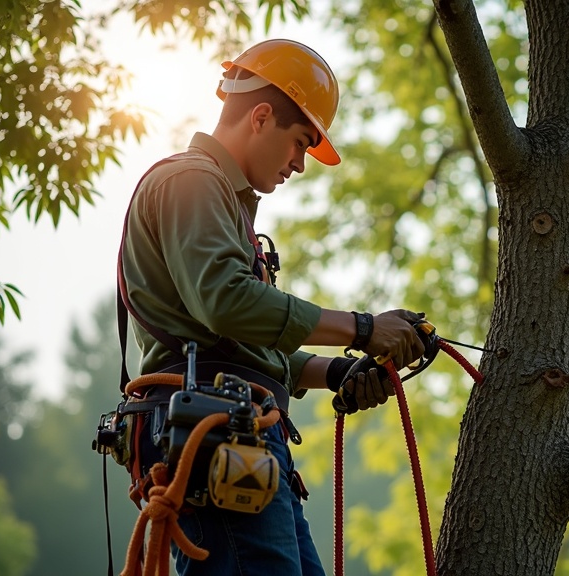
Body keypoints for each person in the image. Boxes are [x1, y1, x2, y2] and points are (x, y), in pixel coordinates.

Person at [117, 38, 425, 575]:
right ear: (261, 116)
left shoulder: (224, 205)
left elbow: (240, 348)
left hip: (240, 435)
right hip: (218, 437)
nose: (300, 165)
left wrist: (338, 373)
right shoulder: (190, 181)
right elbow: (227, 302)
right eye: (301, 143)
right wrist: (363, 328)